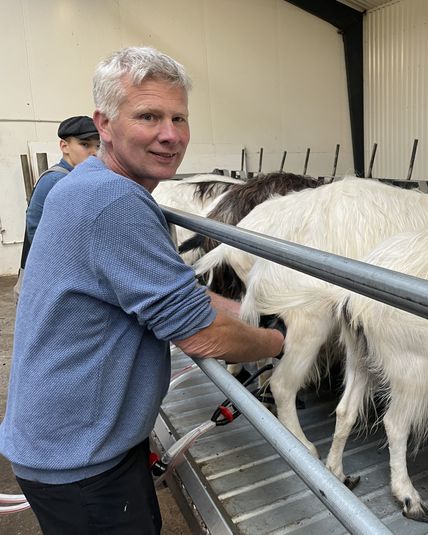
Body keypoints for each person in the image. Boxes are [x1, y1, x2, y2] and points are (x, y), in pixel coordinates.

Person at [0, 46, 284, 534]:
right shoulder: (113, 202)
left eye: (179, 117)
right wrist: (281, 338)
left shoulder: (89, 181)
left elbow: (178, 298)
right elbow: (201, 334)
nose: (170, 134)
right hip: (83, 463)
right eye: (148, 116)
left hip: (75, 441)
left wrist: (254, 309)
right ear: (104, 124)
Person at [14, 116, 101, 301]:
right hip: (48, 277)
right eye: (85, 145)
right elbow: (35, 229)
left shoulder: (79, 178)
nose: (94, 152)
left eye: (98, 146)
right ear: (64, 146)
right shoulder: (56, 180)